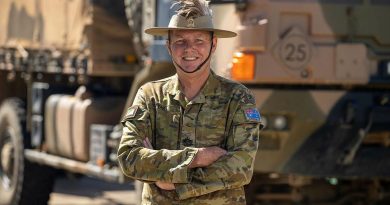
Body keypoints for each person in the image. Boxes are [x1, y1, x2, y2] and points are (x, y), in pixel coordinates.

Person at [117, 0, 263, 204]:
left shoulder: (237, 98)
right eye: (180, 41)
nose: (189, 49)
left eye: (199, 41)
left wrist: (173, 180)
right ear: (168, 46)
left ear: (213, 45)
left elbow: (241, 169)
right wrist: (197, 158)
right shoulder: (150, 95)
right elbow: (129, 158)